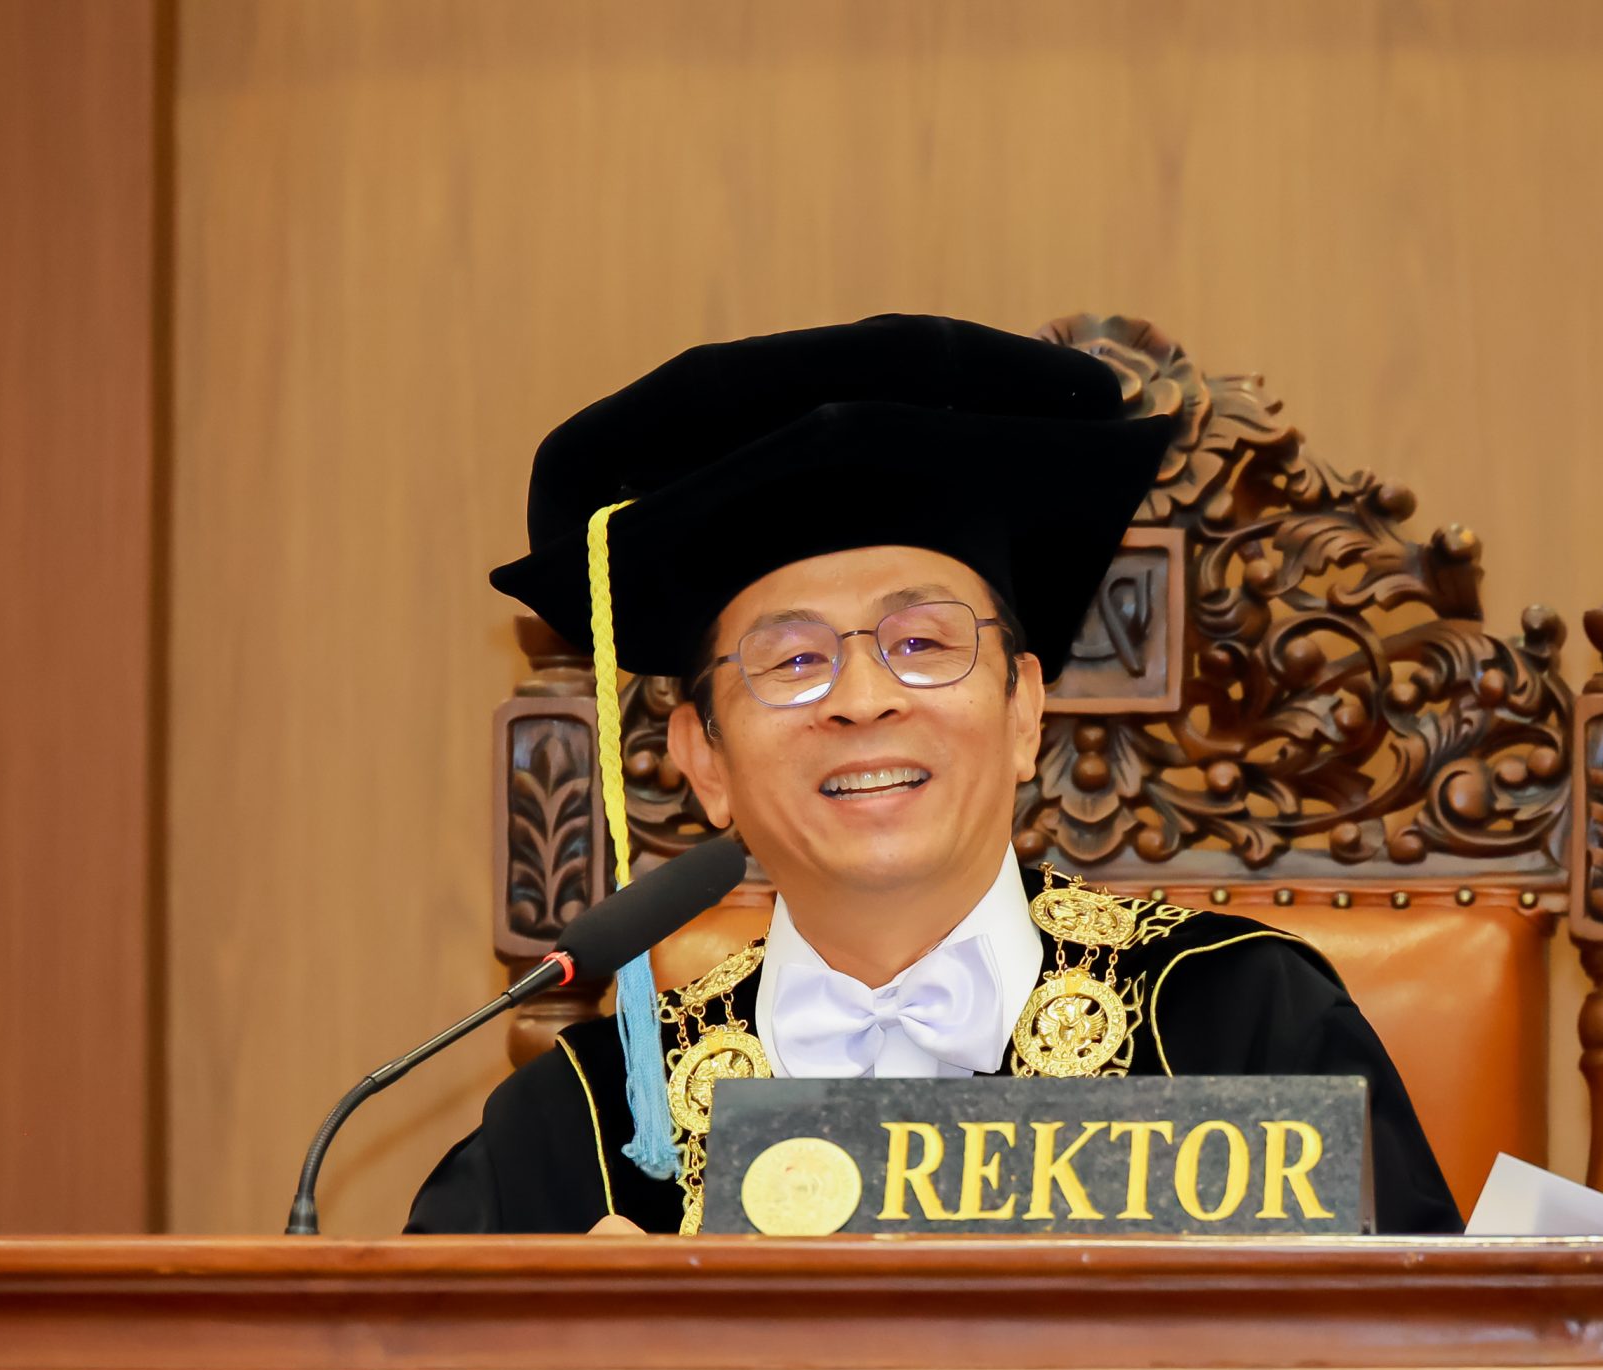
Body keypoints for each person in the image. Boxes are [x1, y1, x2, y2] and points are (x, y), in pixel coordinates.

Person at [409, 313, 1461, 1241]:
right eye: (793, 661)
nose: (863, 698)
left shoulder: (1238, 1028)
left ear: (1024, 714)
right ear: (702, 762)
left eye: (922, 643)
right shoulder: (583, 1134)